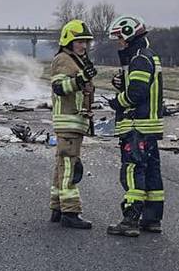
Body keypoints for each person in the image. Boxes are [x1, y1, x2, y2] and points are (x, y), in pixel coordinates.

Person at [106, 15, 165, 236]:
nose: (119, 43)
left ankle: (130, 220)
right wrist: (122, 83)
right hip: (149, 126)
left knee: (132, 170)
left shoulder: (139, 58)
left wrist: (116, 101)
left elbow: (137, 93)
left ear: (129, 35)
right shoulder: (146, 56)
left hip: (136, 126)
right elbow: (139, 85)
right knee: (151, 173)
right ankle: (152, 219)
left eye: (120, 38)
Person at [49, 19, 96, 229]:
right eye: (79, 41)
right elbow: (59, 87)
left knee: (62, 164)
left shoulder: (76, 60)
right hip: (68, 122)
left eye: (85, 42)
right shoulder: (63, 59)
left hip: (74, 123)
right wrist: (81, 79)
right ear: (68, 41)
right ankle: (70, 212)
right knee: (70, 166)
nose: (83, 45)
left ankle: (58, 208)